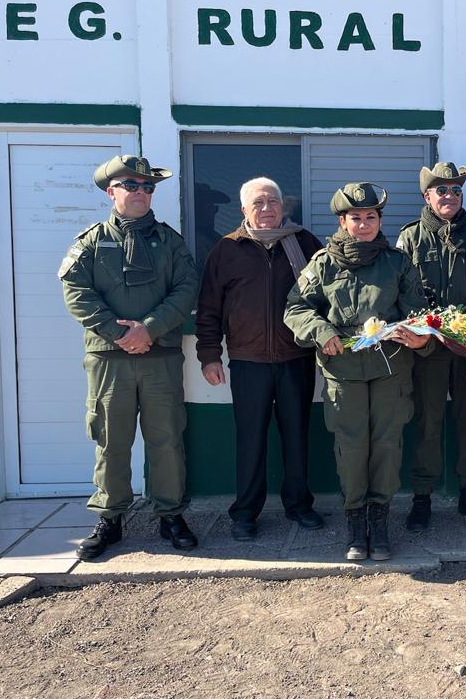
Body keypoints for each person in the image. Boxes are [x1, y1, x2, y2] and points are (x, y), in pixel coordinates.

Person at [59, 154, 200, 560]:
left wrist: (148, 329)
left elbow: (186, 288)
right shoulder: (89, 241)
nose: (141, 193)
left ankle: (170, 514)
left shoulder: (170, 241)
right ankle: (110, 518)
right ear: (111, 191)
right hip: (109, 359)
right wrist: (121, 333)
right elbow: (77, 292)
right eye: (131, 186)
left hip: (161, 357)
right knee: (110, 440)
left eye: (148, 187)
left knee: (167, 438)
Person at [284, 183, 434, 561]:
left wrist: (420, 339)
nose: (364, 224)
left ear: (379, 220)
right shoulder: (323, 263)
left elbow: (418, 313)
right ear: (342, 221)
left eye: (371, 217)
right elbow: (296, 308)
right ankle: (355, 525)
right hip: (343, 372)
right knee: (350, 449)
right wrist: (322, 332)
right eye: (356, 218)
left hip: (391, 370)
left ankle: (379, 524)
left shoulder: (398, 262)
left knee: (386, 446)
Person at [195, 177, 325, 541]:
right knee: (250, 439)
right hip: (247, 360)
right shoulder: (227, 249)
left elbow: (325, 298)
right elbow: (208, 308)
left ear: (284, 207)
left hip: (295, 358)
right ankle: (245, 512)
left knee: (297, 436)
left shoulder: (305, 243)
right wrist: (209, 355)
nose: (266, 209)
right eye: (258, 203)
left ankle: (299, 505)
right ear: (244, 211)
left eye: (273, 202)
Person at [396, 162, 466, 532]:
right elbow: (403, 290)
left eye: (456, 190)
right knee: (428, 420)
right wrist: (430, 324)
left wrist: (465, 320)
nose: (449, 197)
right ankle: (422, 496)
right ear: (427, 196)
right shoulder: (410, 238)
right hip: (427, 347)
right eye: (441, 190)